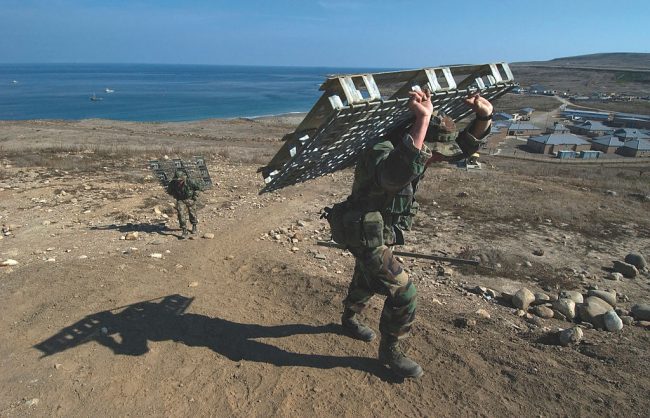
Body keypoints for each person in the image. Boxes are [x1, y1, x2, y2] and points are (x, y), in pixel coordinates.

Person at [335, 89, 493, 378]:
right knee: (403, 291)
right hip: (362, 231)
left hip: (379, 231)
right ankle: (390, 352)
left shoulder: (417, 148)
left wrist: (484, 117)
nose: (433, 157)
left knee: (367, 278)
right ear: (412, 135)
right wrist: (423, 121)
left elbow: (458, 148)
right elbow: (394, 176)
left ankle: (348, 318)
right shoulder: (381, 150)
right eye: (428, 149)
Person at [166, 170, 203, 238]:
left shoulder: (190, 181)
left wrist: (195, 195)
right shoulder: (173, 183)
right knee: (181, 214)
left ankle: (194, 225)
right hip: (180, 200)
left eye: (180, 179)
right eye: (177, 180)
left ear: (183, 177)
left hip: (190, 199)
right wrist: (174, 194)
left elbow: (199, 188)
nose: (179, 181)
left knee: (192, 213)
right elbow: (169, 191)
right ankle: (184, 229)